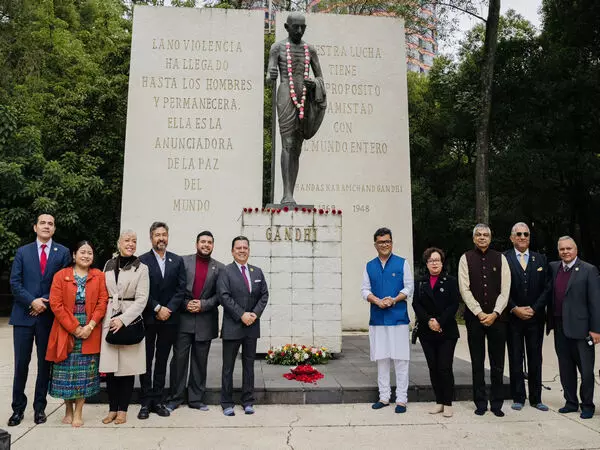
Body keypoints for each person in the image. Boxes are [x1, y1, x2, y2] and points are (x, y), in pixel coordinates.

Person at [8, 213, 71, 426]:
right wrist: (31, 302)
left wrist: (43, 302)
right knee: (21, 365)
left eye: (50, 224)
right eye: (42, 223)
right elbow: (15, 283)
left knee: (45, 365)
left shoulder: (62, 252)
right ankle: (17, 409)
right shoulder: (22, 252)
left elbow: (63, 283)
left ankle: (39, 408)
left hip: (47, 318)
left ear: (54, 229)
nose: (46, 226)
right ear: (35, 227)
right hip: (23, 317)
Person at [45, 241, 108, 427]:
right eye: (82, 252)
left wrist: (89, 326)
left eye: (89, 253)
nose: (86, 255)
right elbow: (56, 304)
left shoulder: (98, 276)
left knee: (84, 374)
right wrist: (75, 328)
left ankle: (79, 411)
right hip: (65, 329)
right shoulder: (61, 275)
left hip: (90, 330)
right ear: (74, 255)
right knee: (66, 373)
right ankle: (67, 409)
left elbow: (102, 302)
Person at [267, 12, 327, 205]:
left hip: (304, 97)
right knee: (287, 143)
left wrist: (314, 84)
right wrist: (271, 75)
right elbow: (270, 75)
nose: (299, 30)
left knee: (297, 147)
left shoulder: (311, 49)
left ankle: (290, 191)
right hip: (286, 94)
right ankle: (287, 194)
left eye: (303, 27)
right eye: (296, 27)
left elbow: (320, 78)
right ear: (287, 27)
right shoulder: (277, 48)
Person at [166, 231, 224, 412]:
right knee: (179, 361)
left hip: (205, 320)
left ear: (213, 245)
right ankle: (175, 398)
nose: (206, 245)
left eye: (209, 242)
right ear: (196, 243)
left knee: (200, 362)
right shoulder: (183, 262)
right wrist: (184, 304)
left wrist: (203, 304)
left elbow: (220, 296)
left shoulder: (220, 268)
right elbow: (175, 288)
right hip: (183, 319)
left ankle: (196, 399)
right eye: (203, 242)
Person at [459, 223, 511, 417]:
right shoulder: (465, 258)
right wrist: (479, 313)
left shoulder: (501, 258)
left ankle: (497, 403)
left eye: (486, 235)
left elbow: (505, 290)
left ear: (490, 238)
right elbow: (465, 289)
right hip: (475, 319)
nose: (482, 238)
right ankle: (480, 402)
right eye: (478, 235)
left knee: (497, 362)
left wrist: (495, 313)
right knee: (477, 362)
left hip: (498, 319)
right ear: (474, 238)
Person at [546, 236, 600, 419]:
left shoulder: (589, 270)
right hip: (559, 326)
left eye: (569, 248)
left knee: (585, 370)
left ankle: (587, 405)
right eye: (562, 249)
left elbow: (595, 302)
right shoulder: (554, 268)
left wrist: (596, 330)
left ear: (576, 250)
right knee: (565, 368)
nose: (565, 252)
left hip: (582, 329)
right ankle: (570, 402)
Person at [99, 230, 150, 425]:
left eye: (134, 241)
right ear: (119, 243)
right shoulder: (108, 264)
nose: (131, 244)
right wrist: (111, 317)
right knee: (110, 368)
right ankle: (112, 408)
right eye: (127, 240)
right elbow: (104, 291)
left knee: (128, 368)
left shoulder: (141, 268)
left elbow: (142, 300)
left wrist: (123, 319)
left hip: (130, 316)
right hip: (109, 316)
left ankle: (123, 410)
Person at [361, 227, 414, 414]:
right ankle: (384, 397)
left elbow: (409, 287)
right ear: (375, 244)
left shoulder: (402, 263)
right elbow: (365, 290)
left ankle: (401, 399)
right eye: (381, 242)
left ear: (392, 242)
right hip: (378, 319)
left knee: (401, 360)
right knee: (381, 358)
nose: (385, 245)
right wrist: (376, 300)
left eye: (388, 241)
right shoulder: (369, 265)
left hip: (398, 318)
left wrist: (393, 299)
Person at [138, 222, 186, 419]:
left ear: (168, 237)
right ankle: (145, 401)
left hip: (170, 319)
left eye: (164, 235)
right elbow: (140, 291)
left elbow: (181, 289)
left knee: (162, 360)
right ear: (151, 238)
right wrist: (157, 308)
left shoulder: (177, 260)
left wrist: (169, 309)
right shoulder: (141, 261)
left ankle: (157, 400)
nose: (161, 238)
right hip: (149, 317)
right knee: (146, 360)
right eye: (157, 235)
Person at [218, 236, 269, 416]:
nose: (242, 250)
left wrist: (254, 314)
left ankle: (248, 401)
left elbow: (264, 295)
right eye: (238, 248)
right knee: (228, 367)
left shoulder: (257, 272)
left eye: (245, 247)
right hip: (233, 326)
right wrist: (242, 315)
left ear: (249, 250)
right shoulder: (225, 271)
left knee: (249, 366)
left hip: (251, 327)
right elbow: (224, 297)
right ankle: (226, 402)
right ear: (232, 251)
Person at [504, 222, 549, 412]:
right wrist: (514, 308)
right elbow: (502, 289)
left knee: (535, 357)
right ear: (512, 237)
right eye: (519, 234)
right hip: (513, 318)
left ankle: (536, 398)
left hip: (535, 318)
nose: (522, 237)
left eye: (526, 234)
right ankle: (518, 397)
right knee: (515, 356)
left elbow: (547, 287)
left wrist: (534, 309)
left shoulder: (541, 259)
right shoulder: (504, 259)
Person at [412, 247, 459, 418]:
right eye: (431, 260)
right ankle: (439, 401)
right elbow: (416, 304)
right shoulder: (420, 282)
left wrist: (439, 321)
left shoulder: (451, 281)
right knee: (433, 368)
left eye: (437, 260)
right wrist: (429, 321)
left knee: (444, 367)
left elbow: (454, 304)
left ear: (442, 262)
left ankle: (448, 403)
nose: (434, 263)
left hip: (447, 330)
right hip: (427, 331)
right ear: (427, 263)